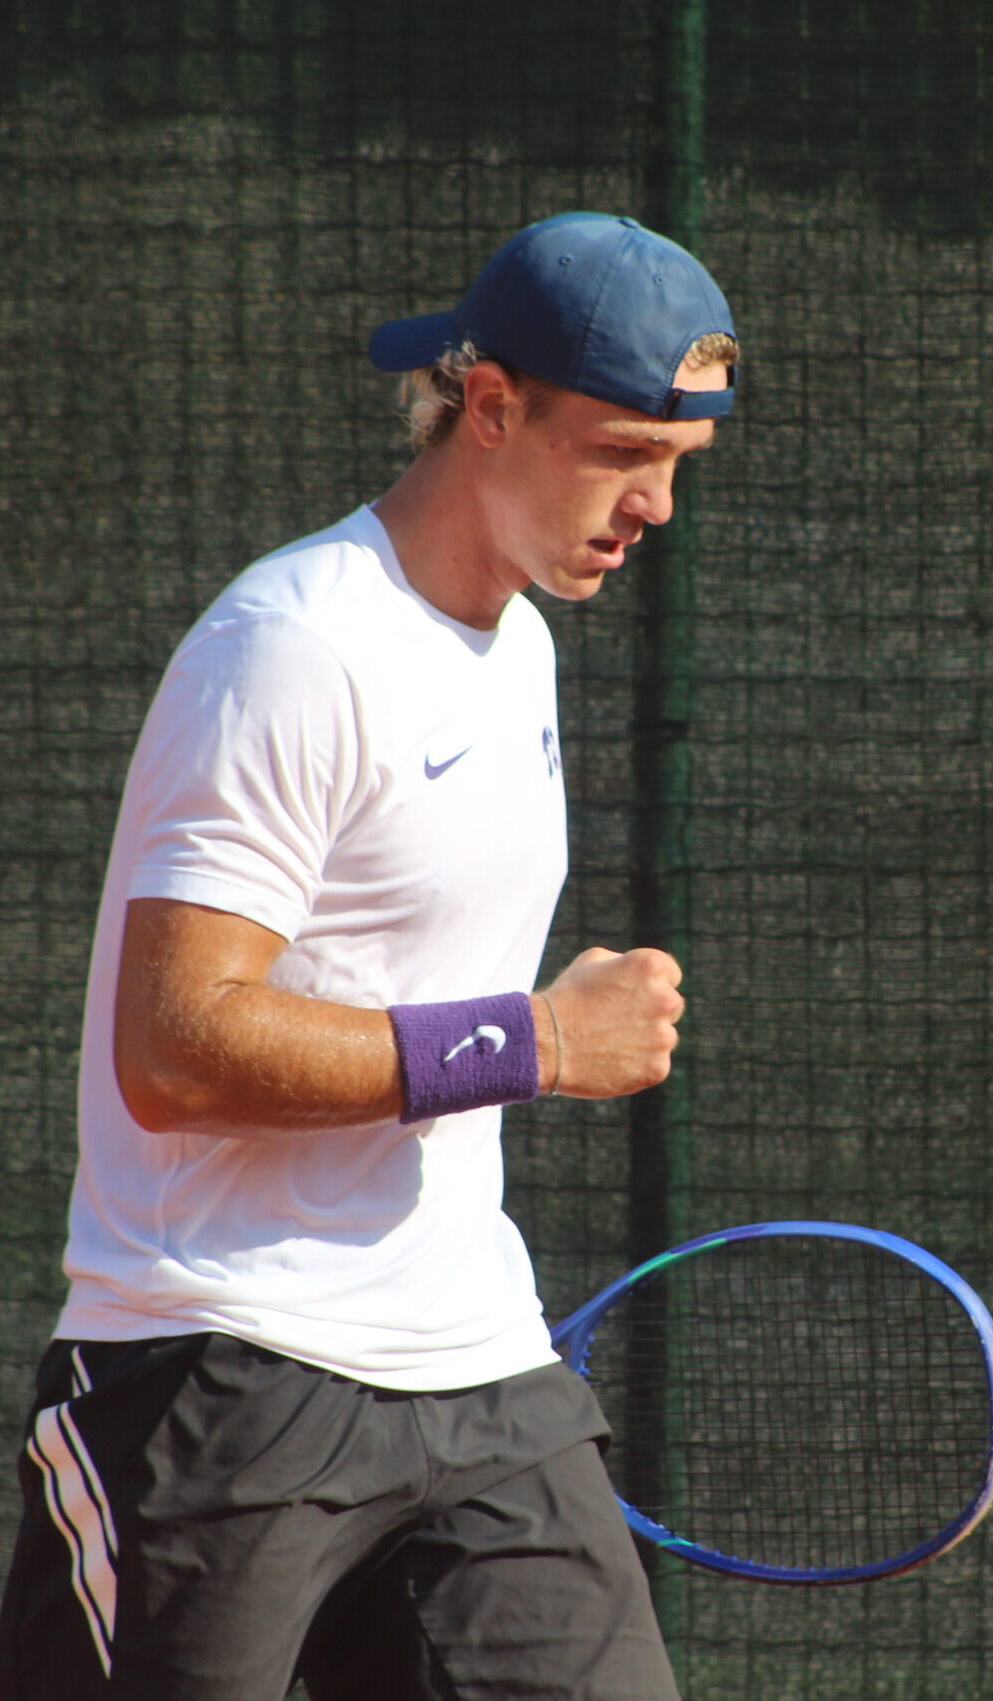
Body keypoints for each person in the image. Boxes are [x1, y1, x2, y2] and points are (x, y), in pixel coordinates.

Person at [0, 211, 739, 1700]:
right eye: (620, 452)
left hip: (479, 1366)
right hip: (217, 1369)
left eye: (678, 463)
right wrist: (539, 1042)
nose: (654, 504)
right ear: (490, 407)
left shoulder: (520, 644)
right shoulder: (292, 644)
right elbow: (176, 1048)